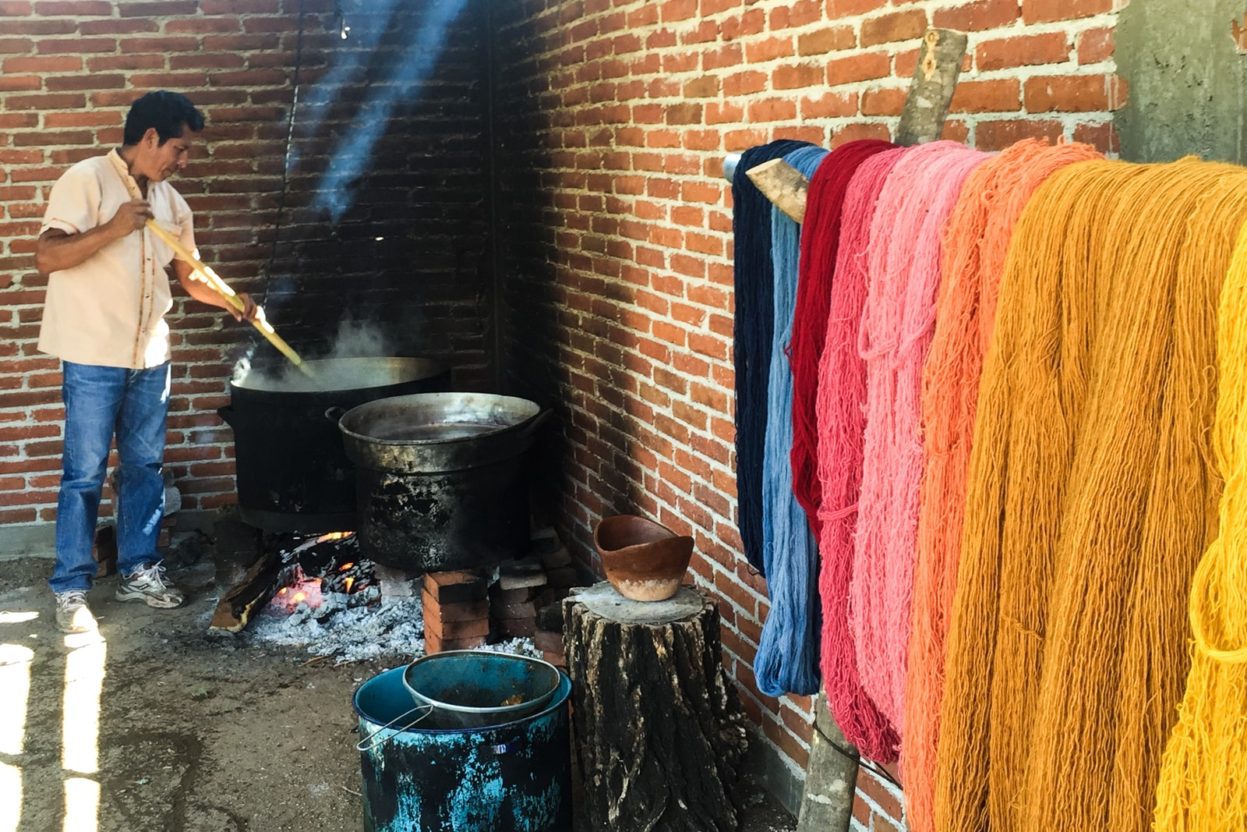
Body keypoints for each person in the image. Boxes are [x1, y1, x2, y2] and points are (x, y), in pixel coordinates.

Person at [35, 91, 257, 633]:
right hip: (91, 353)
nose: (184, 161)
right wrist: (113, 228)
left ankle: (139, 568)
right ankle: (71, 588)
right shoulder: (85, 179)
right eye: (179, 149)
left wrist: (235, 301)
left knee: (144, 470)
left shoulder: (172, 203)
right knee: (83, 473)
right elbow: (47, 256)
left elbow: (190, 275)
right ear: (151, 137)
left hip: (150, 356)